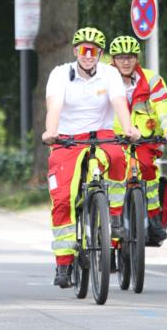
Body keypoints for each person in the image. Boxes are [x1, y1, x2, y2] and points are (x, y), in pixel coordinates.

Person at [42, 27, 140, 288]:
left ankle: (116, 216)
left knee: (121, 158)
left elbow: (119, 103)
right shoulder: (60, 74)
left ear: (100, 54)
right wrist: (51, 131)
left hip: (101, 135)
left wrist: (128, 128)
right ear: (75, 51)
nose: (88, 55)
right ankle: (63, 264)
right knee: (62, 198)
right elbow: (55, 105)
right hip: (67, 139)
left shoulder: (110, 74)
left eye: (93, 51)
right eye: (83, 50)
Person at [109, 35, 167, 245]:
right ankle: (108, 236)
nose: (125, 61)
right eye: (120, 57)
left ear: (136, 58)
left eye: (130, 56)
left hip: (144, 139)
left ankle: (154, 218)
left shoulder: (151, 79)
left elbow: (164, 106)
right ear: (113, 59)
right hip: (113, 140)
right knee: (110, 176)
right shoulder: (104, 79)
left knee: (149, 169)